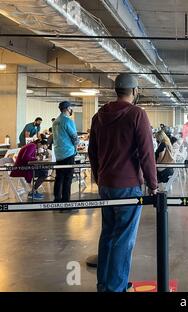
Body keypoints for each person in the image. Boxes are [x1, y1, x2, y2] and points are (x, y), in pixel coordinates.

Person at [88, 73, 158, 292]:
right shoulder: (137, 114)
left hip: (106, 185)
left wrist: (99, 177)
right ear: (135, 92)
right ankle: (116, 286)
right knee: (124, 238)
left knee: (108, 233)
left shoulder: (99, 115)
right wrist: (153, 184)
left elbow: (92, 151)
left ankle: (105, 283)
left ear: (116, 90)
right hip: (127, 186)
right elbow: (147, 153)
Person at [53, 101, 78, 203]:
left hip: (58, 153)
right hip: (68, 152)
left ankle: (57, 200)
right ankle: (65, 202)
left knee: (59, 177)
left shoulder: (55, 121)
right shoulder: (68, 121)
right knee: (68, 178)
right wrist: (76, 146)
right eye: (71, 108)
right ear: (68, 109)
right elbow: (74, 137)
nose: (71, 109)